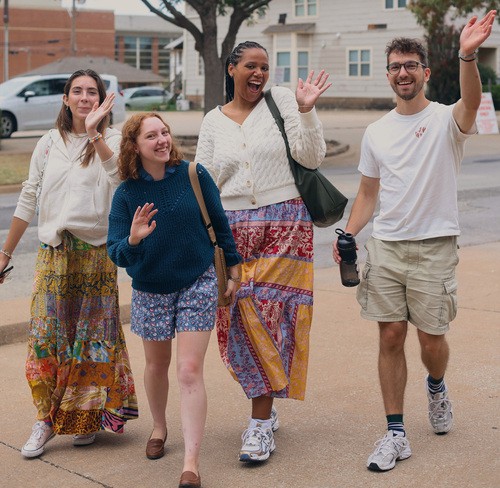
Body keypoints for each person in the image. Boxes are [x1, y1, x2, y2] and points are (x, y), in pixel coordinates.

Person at [333, 10, 497, 473]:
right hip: (386, 244)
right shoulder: (376, 131)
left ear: (425, 72)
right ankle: (396, 432)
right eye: (395, 66)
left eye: (411, 65)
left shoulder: (448, 120)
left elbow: (472, 98)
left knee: (431, 340)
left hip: (435, 245)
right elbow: (368, 192)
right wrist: (349, 232)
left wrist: (467, 54)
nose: (402, 73)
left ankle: (437, 385)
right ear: (388, 75)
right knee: (390, 334)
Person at [194, 40, 331, 463]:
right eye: (251, 66)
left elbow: (312, 155)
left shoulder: (285, 102)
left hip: (286, 226)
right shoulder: (212, 122)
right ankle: (265, 412)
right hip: (233, 230)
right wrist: (206, 237)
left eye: (265, 67)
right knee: (236, 318)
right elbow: (201, 182)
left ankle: (258, 424)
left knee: (270, 320)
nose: (259, 74)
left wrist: (307, 112)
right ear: (231, 69)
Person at [0, 69, 138, 458]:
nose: (84, 98)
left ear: (102, 99)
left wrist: (96, 133)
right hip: (54, 254)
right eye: (76, 91)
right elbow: (29, 197)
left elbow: (121, 183)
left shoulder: (113, 140)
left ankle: (84, 418)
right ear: (65, 99)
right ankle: (45, 420)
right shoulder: (48, 143)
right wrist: (5, 253)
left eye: (91, 92)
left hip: (95, 255)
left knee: (91, 341)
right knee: (45, 340)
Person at [107, 113, 241, 488]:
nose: (162, 140)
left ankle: (191, 462)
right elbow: (116, 253)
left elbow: (221, 225)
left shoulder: (194, 176)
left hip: (197, 281)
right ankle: (160, 427)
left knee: (188, 370)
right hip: (150, 288)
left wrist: (233, 271)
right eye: (152, 136)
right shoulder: (126, 194)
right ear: (135, 146)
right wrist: (134, 239)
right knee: (156, 364)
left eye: (164, 132)